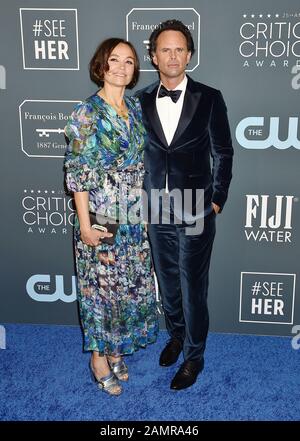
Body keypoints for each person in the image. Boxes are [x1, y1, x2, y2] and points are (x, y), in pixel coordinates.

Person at [136, 20, 233, 390]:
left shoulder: (209, 97)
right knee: (169, 283)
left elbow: (223, 153)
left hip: (196, 207)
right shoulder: (141, 100)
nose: (173, 56)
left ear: (189, 55)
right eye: (165, 50)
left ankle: (194, 356)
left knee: (193, 286)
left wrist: (218, 201)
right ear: (154, 56)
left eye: (179, 49)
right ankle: (176, 336)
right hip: (156, 207)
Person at [64, 38, 158, 396]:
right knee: (101, 293)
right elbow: (77, 173)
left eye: (129, 62)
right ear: (100, 66)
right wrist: (86, 225)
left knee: (128, 288)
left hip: (132, 217)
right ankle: (99, 359)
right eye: (114, 60)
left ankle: (117, 349)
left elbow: (139, 164)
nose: (121, 67)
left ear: (135, 70)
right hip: (101, 217)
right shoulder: (86, 113)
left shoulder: (134, 109)